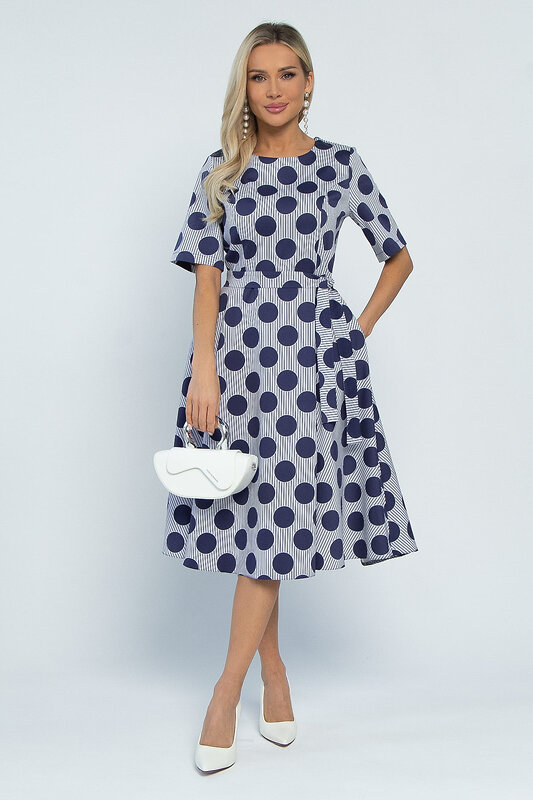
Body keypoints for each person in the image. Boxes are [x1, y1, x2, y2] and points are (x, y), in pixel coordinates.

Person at [162, 21, 419, 771]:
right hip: (237, 361)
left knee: (276, 518)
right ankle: (273, 673)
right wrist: (203, 369)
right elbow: (206, 278)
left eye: (286, 74)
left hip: (311, 364)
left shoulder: (341, 166)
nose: (273, 89)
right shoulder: (220, 171)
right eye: (258, 76)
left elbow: (398, 257)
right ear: (243, 89)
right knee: (254, 519)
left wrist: (353, 332)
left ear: (308, 84)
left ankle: (225, 691)